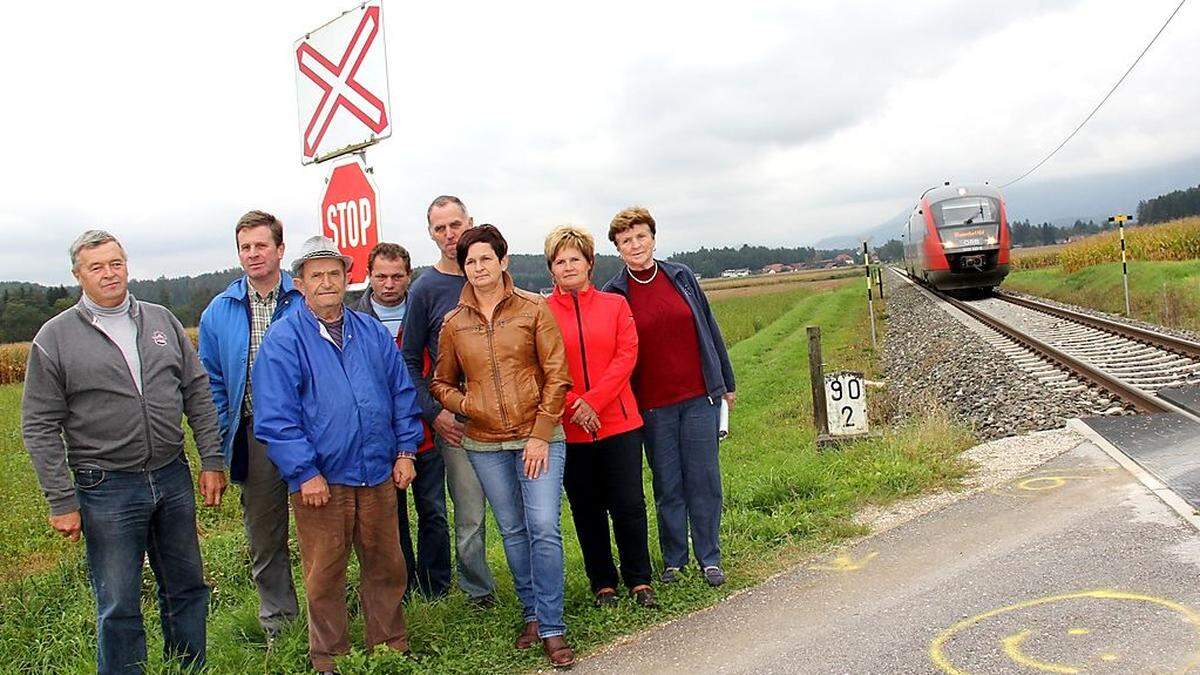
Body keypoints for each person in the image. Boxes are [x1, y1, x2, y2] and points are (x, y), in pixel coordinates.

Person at [22, 230, 227, 675]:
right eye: (96, 267)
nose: (109, 274)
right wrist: (61, 500)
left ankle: (189, 668)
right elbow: (38, 425)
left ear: (127, 265)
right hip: (107, 487)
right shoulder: (54, 338)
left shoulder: (161, 321)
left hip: (171, 476)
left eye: (115, 263)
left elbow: (196, 392)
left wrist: (211, 460)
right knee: (118, 601)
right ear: (79, 275)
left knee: (187, 586)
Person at [251, 236, 424, 674]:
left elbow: (401, 393)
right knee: (325, 571)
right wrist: (304, 472)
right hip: (322, 481)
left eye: (334, 273)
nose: (326, 282)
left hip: (378, 472)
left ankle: (389, 644)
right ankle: (328, 656)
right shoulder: (285, 338)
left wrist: (406, 450)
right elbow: (276, 416)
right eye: (316, 275)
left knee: (386, 562)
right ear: (300, 282)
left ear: (348, 278)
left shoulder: (370, 332)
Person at [431, 225, 576, 668]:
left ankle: (553, 627)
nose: (478, 268)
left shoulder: (534, 308)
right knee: (512, 530)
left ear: (503, 261)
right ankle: (531, 614)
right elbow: (440, 381)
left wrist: (538, 433)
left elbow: (557, 375)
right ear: (464, 269)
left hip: (540, 436)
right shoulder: (454, 324)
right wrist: (466, 403)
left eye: (485, 259)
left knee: (543, 526)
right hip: (485, 443)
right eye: (470, 262)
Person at [601, 207, 737, 588]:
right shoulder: (614, 294)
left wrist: (726, 382)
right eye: (626, 240)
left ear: (653, 238)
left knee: (705, 480)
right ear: (617, 248)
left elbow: (708, 327)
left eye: (641, 236)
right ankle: (674, 560)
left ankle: (709, 557)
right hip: (652, 407)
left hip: (699, 398)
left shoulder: (681, 276)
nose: (635, 244)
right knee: (668, 484)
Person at [197, 210, 302, 639]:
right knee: (265, 536)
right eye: (245, 247)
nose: (253, 254)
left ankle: (329, 621)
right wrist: (224, 437)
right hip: (254, 434)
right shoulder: (219, 312)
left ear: (280, 249)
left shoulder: (304, 298)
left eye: (261, 245)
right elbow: (212, 381)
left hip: (309, 431)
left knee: (324, 531)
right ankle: (280, 625)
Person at [543, 225, 657, 608]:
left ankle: (639, 580)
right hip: (571, 429)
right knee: (587, 509)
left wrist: (595, 401)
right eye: (561, 261)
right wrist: (577, 405)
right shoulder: (541, 314)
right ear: (551, 269)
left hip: (620, 422)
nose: (569, 266)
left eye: (576, 258)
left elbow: (627, 356)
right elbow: (543, 368)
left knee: (628, 504)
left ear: (590, 264)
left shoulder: (615, 305)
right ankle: (602, 583)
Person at [401, 195, 497, 607]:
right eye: (439, 228)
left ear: (470, 221)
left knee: (521, 511)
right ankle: (479, 591)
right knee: (470, 513)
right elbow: (408, 361)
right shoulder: (425, 289)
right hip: (456, 421)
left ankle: (534, 586)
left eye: (455, 224)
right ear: (430, 233)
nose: (449, 234)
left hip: (508, 415)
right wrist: (435, 412)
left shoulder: (490, 273)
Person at [352, 242, 447, 600]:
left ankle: (436, 586)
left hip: (427, 430)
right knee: (392, 519)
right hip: (381, 437)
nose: (389, 284)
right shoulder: (354, 319)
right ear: (369, 277)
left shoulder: (422, 312)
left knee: (434, 511)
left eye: (396, 276)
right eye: (381, 276)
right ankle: (402, 587)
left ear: (409, 276)